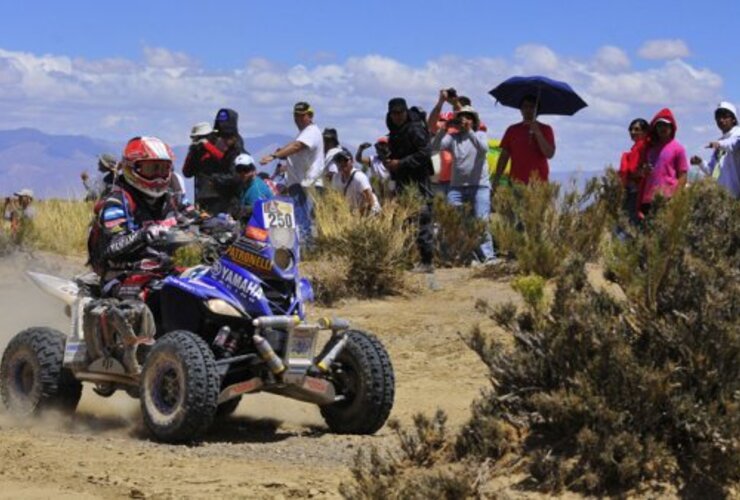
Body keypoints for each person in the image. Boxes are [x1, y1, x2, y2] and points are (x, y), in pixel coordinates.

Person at [88, 136, 181, 284]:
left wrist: (220, 225)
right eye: (151, 169)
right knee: (147, 301)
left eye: (163, 169)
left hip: (163, 270)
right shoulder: (117, 202)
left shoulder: (173, 199)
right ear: (131, 169)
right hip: (122, 276)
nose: (158, 177)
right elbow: (112, 247)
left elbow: (194, 216)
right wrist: (143, 234)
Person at [259, 102, 324, 247]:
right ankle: (306, 248)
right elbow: (293, 144)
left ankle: (308, 248)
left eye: (302, 116)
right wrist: (280, 152)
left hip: (308, 183)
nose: (298, 119)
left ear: (310, 116)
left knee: (305, 219)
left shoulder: (312, 131)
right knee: (300, 217)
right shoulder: (304, 133)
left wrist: (274, 156)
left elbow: (296, 146)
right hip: (298, 182)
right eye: (296, 116)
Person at [439, 106, 496, 265]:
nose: (464, 120)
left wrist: (470, 131)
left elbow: (483, 149)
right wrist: (444, 129)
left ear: (474, 121)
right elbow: (438, 146)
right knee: (455, 221)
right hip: (456, 187)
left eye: (468, 117)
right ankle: (467, 255)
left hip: (479, 186)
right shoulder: (453, 138)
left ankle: (488, 257)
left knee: (481, 221)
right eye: (461, 117)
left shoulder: (480, 135)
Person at [384, 97, 435, 273]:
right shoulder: (395, 132)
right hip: (402, 182)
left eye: (400, 112)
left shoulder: (414, 129)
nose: (397, 116)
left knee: (422, 220)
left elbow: (426, 152)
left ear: (406, 112)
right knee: (404, 221)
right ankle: (407, 258)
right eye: (394, 113)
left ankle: (427, 261)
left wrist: (401, 163)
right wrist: (392, 164)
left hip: (419, 181)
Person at [493, 95, 556, 187]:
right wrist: (496, 179)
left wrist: (537, 132)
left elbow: (549, 154)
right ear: (521, 110)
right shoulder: (512, 130)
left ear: (537, 110)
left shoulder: (546, 129)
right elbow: (504, 156)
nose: (528, 110)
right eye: (525, 106)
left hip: (539, 183)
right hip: (516, 182)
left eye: (532, 107)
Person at [638, 108, 688, 217]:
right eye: (659, 125)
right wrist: (644, 171)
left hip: (667, 198)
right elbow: (641, 172)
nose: (663, 128)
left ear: (671, 127)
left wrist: (675, 197)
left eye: (666, 125)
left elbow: (683, 176)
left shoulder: (678, 149)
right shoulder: (650, 149)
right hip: (649, 198)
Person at [690, 101, 740, 198]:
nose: (721, 120)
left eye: (725, 116)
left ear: (733, 119)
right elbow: (712, 172)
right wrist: (700, 163)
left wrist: (719, 144)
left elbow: (732, 144)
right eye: (718, 117)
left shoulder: (737, 135)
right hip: (724, 199)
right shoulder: (720, 143)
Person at [619, 118, 650, 225]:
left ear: (645, 132)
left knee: (630, 219)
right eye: (631, 129)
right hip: (635, 190)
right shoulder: (637, 148)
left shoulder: (641, 147)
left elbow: (634, 170)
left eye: (637, 129)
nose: (633, 132)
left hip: (636, 191)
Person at [332, 149, 381, 215]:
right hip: (355, 211)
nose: (342, 163)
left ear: (352, 161)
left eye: (345, 161)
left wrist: (357, 215)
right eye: (338, 161)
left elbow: (370, 201)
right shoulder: (336, 178)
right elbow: (335, 198)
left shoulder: (359, 177)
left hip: (371, 211)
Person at [234, 154, 274, 221]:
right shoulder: (246, 185)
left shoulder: (257, 188)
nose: (243, 173)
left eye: (246, 169)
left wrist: (244, 210)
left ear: (253, 169)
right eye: (239, 169)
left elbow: (262, 212)